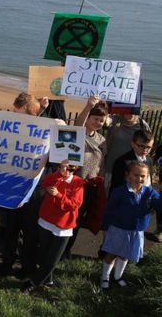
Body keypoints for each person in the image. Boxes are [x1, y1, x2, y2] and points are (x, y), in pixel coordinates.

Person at [0, 92, 43, 276]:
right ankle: (7, 263)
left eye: (20, 114)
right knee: (10, 229)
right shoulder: (10, 127)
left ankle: (27, 266)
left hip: (33, 191)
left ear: (32, 114)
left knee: (31, 232)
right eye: (15, 113)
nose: (15, 117)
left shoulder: (45, 131)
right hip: (11, 186)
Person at [22, 161, 84, 292]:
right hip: (46, 222)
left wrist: (58, 195)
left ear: (77, 167)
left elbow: (73, 204)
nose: (67, 170)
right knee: (44, 254)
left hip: (63, 227)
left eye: (71, 167)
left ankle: (33, 283)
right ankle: (48, 281)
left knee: (52, 260)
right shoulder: (53, 177)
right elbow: (45, 184)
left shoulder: (78, 183)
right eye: (64, 166)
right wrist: (58, 175)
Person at [100, 161, 161, 289]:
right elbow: (109, 211)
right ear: (128, 175)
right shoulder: (119, 191)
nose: (140, 178)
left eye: (143, 176)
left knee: (125, 254)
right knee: (112, 254)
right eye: (136, 175)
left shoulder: (149, 193)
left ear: (147, 177)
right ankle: (105, 277)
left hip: (136, 231)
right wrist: (105, 227)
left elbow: (159, 207)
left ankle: (117, 276)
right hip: (118, 229)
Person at [62, 100, 108, 259]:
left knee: (78, 220)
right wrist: (88, 106)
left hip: (90, 186)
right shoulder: (78, 134)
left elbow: (102, 162)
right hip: (73, 184)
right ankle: (58, 248)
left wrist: (100, 179)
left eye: (102, 120)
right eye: (95, 118)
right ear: (88, 117)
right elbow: (78, 124)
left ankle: (66, 250)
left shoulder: (102, 139)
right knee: (67, 216)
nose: (98, 123)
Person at [110, 129, 154, 194]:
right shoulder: (122, 162)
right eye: (141, 146)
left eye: (148, 147)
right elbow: (117, 187)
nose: (145, 150)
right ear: (133, 144)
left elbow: (149, 183)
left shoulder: (149, 160)